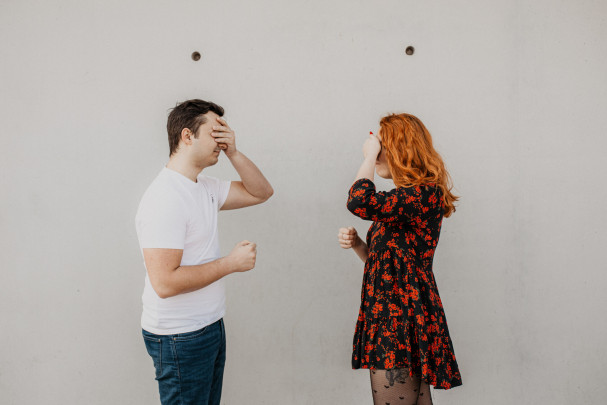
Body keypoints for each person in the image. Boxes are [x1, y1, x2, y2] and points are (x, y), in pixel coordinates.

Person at [135, 99, 273, 405]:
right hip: (180, 337)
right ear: (187, 136)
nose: (223, 140)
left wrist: (234, 153)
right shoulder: (165, 198)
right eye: (216, 132)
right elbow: (165, 283)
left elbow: (261, 191)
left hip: (209, 326)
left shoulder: (204, 187)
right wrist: (230, 264)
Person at [338, 113, 462, 404]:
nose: (376, 153)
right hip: (392, 314)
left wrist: (368, 156)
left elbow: (358, 200)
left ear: (400, 150)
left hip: (400, 318)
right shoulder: (402, 200)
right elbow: (386, 263)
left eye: (382, 147)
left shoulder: (424, 195)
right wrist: (358, 244)